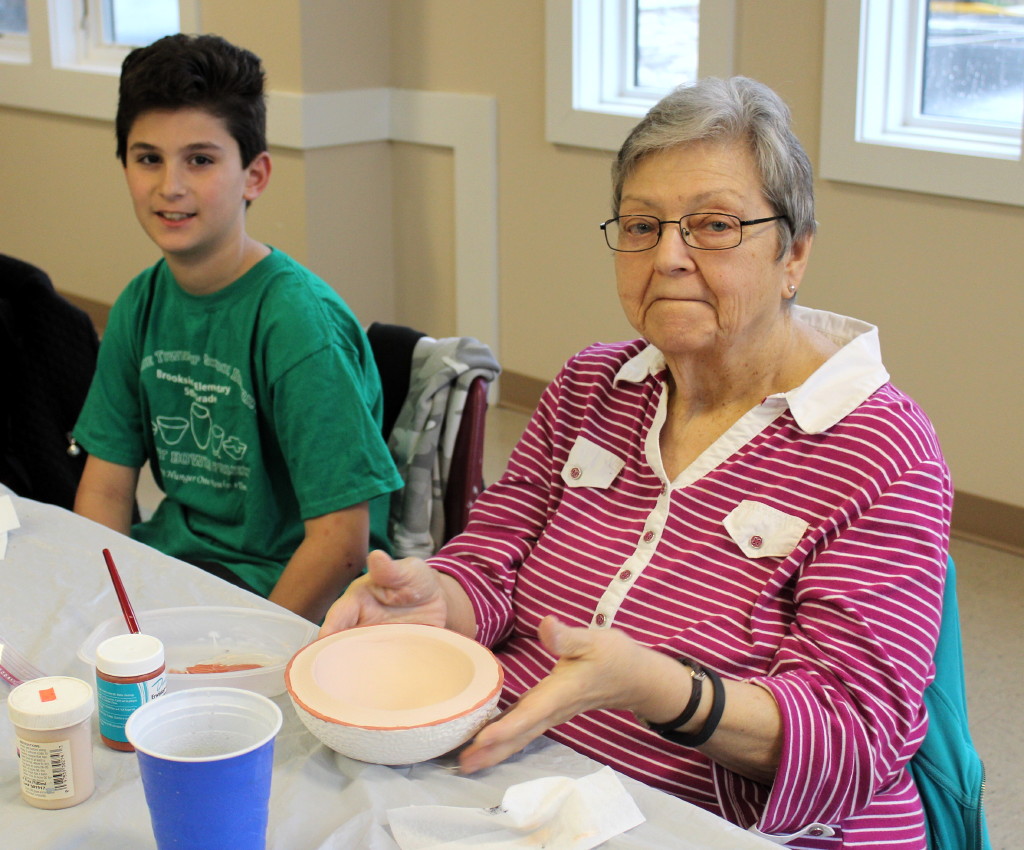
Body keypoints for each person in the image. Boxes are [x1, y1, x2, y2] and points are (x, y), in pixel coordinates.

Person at [321, 76, 951, 847]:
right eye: (643, 225)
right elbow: (489, 562)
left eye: (715, 225)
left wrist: (660, 689)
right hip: (526, 787)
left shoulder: (881, 448)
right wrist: (438, 601)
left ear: (796, 254)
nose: (670, 257)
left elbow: (858, 738)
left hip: (716, 826)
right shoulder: (592, 384)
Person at [74, 34, 402, 624]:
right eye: (148, 158)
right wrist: (106, 613)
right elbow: (105, 490)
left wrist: (252, 653)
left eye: (200, 159)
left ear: (255, 175)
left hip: (280, 595)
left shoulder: (298, 324)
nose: (169, 185)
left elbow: (340, 544)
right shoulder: (138, 304)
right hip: (175, 573)